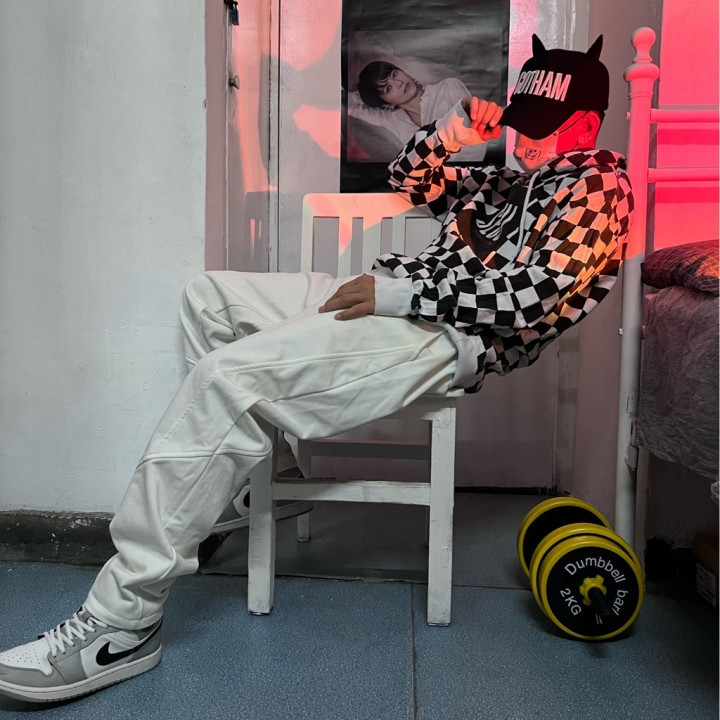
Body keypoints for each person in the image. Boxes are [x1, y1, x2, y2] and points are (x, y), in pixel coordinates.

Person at [0, 34, 633, 704]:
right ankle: (264, 481)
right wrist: (451, 131)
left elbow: (532, 298)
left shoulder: (600, 188)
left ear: (584, 125)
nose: (525, 139)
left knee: (226, 379)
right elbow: (411, 178)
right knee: (209, 297)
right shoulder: (517, 182)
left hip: (442, 334)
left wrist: (401, 295)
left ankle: (122, 621)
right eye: (521, 123)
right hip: (392, 296)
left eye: (541, 127)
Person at [348, 60, 486, 162]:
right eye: (388, 88)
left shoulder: (448, 88)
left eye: (395, 74)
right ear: (386, 104)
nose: (399, 83)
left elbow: (475, 145)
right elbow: (351, 105)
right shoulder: (393, 120)